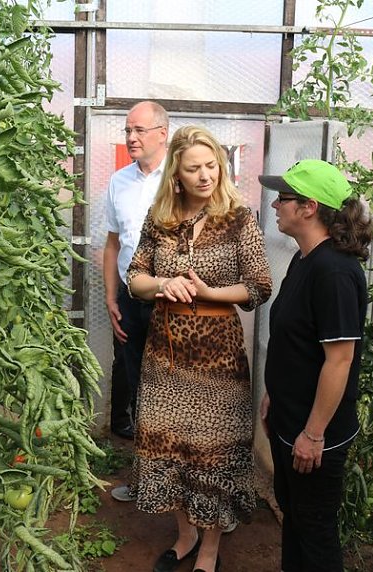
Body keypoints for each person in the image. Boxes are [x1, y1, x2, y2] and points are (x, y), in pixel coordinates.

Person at [126, 125, 272, 572]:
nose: (205, 175)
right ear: (178, 173)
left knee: (215, 449)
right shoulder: (160, 217)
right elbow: (135, 278)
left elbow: (259, 287)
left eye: (211, 165)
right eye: (194, 168)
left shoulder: (239, 218)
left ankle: (210, 547)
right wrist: (162, 283)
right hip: (165, 355)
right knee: (165, 443)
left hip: (218, 357)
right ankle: (185, 534)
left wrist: (208, 292)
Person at [258, 159, 373, 572]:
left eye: (283, 198)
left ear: (309, 207)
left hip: (316, 433)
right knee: (296, 515)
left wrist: (313, 433)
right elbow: (297, 343)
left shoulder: (335, 273)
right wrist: (275, 392)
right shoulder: (305, 260)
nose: (274, 205)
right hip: (291, 419)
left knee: (316, 528)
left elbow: (339, 361)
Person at [103, 101, 169, 448]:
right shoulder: (120, 181)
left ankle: (167, 457)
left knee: (168, 379)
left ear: (162, 133)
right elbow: (113, 243)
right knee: (132, 371)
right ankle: (142, 455)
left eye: (138, 130)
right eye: (128, 130)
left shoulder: (180, 178)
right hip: (130, 298)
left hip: (170, 299)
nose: (131, 137)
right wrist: (111, 298)